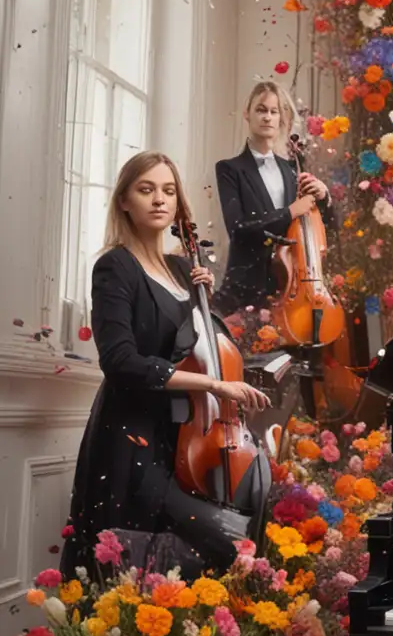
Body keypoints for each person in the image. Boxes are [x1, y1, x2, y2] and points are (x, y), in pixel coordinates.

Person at [63, 151, 271, 576]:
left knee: (228, 542)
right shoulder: (114, 266)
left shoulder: (181, 269)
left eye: (169, 190)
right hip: (134, 437)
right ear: (124, 201)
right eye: (146, 189)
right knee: (204, 544)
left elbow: (192, 346)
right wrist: (212, 386)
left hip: (186, 436)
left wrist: (203, 306)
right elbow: (120, 361)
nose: (159, 200)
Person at [213, 80, 333, 316]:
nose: (267, 117)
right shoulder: (229, 169)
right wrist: (290, 212)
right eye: (261, 110)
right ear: (247, 114)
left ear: (281, 118)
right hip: (248, 290)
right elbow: (238, 230)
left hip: (291, 289)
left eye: (273, 111)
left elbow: (324, 230)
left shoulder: (292, 169)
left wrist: (324, 198)